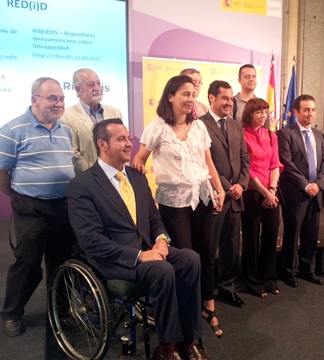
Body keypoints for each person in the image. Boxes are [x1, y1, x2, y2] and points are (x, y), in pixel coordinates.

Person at [67, 118, 210, 360]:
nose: (129, 143)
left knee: (190, 259)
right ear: (102, 144)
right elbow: (91, 240)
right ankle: (167, 348)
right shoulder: (82, 185)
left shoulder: (137, 177)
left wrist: (162, 240)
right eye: (121, 139)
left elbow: (154, 219)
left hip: (147, 248)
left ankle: (188, 340)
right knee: (162, 270)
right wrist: (140, 255)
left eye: (128, 138)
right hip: (113, 259)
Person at [132, 75, 225, 338]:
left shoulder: (199, 127)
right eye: (184, 93)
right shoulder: (157, 127)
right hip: (174, 204)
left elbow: (208, 163)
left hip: (203, 199)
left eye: (192, 93)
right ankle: (189, 311)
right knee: (185, 258)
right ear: (170, 96)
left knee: (206, 255)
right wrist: (138, 170)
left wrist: (219, 189)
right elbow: (140, 158)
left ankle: (208, 305)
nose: (190, 98)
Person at [0, 77, 76, 337]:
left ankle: (60, 311)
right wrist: (19, 197)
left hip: (63, 206)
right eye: (52, 98)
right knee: (27, 262)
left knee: (63, 262)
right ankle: (11, 313)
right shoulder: (12, 129)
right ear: (34, 100)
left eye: (61, 98)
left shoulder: (64, 130)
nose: (58, 103)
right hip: (31, 207)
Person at [199, 81, 250, 308]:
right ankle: (206, 293)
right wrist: (226, 186)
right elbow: (203, 162)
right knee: (209, 247)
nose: (229, 102)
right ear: (211, 98)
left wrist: (241, 185)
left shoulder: (236, 125)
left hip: (236, 197)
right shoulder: (199, 125)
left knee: (231, 246)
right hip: (213, 196)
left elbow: (245, 159)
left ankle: (227, 288)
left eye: (231, 98)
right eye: (224, 98)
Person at [277, 95, 324, 288]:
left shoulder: (319, 135)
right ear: (296, 112)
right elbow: (287, 163)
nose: (310, 114)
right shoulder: (285, 133)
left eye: (313, 110)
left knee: (311, 233)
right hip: (296, 193)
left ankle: (309, 270)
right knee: (292, 234)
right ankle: (290, 271)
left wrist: (318, 184)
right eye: (306, 110)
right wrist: (306, 185)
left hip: (316, 192)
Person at [241, 98, 283, 297]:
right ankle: (251, 280)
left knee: (271, 235)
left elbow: (275, 164)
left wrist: (272, 190)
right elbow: (246, 169)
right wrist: (264, 192)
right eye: (259, 112)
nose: (263, 115)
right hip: (251, 192)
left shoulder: (271, 135)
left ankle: (269, 278)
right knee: (250, 238)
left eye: (265, 112)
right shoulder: (242, 135)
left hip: (271, 191)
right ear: (250, 113)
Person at [62, 68, 123, 175]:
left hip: (117, 177)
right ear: (78, 90)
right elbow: (73, 154)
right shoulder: (67, 116)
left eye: (98, 84)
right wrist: (99, 174)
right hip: (88, 179)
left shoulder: (115, 112)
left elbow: (122, 144)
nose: (97, 88)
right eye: (90, 85)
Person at [231, 64, 270, 129]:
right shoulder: (231, 103)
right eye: (247, 77)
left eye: (254, 76)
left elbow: (267, 131)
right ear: (239, 80)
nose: (251, 79)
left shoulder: (262, 104)